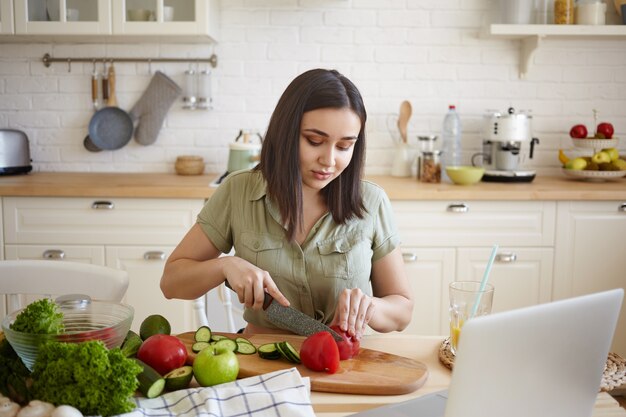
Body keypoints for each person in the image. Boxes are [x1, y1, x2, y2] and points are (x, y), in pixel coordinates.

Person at [161, 69, 413, 340]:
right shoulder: (238, 191)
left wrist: (370, 307)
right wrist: (225, 265)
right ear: (286, 132)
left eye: (344, 146)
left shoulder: (372, 202)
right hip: (261, 361)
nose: (329, 160)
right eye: (314, 141)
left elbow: (402, 310)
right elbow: (171, 282)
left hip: (346, 365)